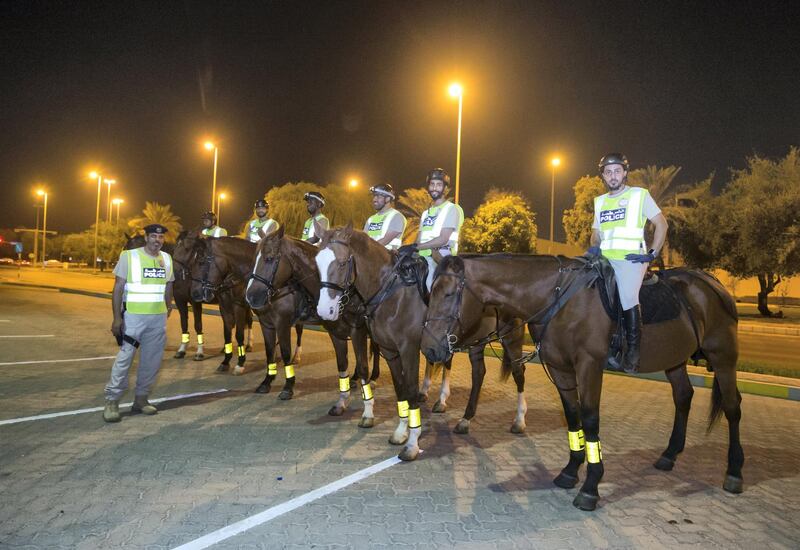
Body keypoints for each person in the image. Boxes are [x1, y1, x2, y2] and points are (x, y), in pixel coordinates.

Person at [589, 153, 668, 373]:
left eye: (616, 171)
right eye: (608, 172)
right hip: (604, 259)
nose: (612, 176)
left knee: (627, 295)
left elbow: (661, 224)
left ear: (625, 172)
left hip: (631, 259)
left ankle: (632, 353)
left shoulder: (639, 195)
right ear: (603, 176)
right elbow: (595, 234)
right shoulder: (600, 202)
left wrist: (652, 253)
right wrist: (594, 246)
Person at [103, 224, 175, 422]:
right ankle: (112, 401)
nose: (157, 240)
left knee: (151, 362)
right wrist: (117, 318)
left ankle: (141, 400)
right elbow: (118, 288)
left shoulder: (166, 259)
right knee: (125, 359)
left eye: (160, 237)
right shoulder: (129, 256)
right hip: (133, 318)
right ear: (146, 237)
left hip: (157, 319)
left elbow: (169, 285)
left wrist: (168, 307)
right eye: (153, 236)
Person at [398, 168, 464, 291]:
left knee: (428, 284)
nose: (434, 188)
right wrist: (407, 249)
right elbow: (418, 240)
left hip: (442, 258)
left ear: (445, 188)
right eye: (432, 184)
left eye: (439, 185)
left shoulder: (451, 209)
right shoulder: (425, 213)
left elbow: (443, 239)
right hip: (423, 257)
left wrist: (417, 247)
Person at [363, 183, 407, 250]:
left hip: (389, 257)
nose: (374, 199)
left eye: (378, 196)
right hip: (370, 256)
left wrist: (366, 252)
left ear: (388, 199)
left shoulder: (397, 216)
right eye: (374, 196)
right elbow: (363, 239)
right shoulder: (371, 219)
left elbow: (385, 240)